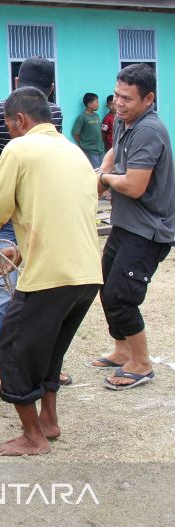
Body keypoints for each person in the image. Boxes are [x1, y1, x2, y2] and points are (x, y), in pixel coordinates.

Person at [0, 86, 102, 455]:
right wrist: (20, 248)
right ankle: (49, 421)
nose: (10, 133)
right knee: (49, 351)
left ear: (20, 120)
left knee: (13, 349)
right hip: (86, 275)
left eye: (10, 127)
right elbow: (58, 215)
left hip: (51, 277)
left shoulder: (20, 147)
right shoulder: (75, 153)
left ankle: (33, 437)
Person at [0, 56, 70, 387]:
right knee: (4, 287)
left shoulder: (53, 113)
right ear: (15, 84)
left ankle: (43, 363)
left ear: (51, 91)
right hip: (2, 211)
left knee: (45, 290)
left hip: (35, 211)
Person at [91, 64, 174, 390]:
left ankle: (141, 362)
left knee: (121, 296)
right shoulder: (129, 123)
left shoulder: (149, 130)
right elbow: (116, 150)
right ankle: (122, 349)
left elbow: (135, 185)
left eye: (127, 98)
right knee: (105, 286)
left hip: (148, 230)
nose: (119, 103)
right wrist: (108, 163)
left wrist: (103, 178)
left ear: (149, 98)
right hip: (126, 224)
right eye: (117, 96)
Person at [72, 92, 103, 167]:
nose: (98, 104)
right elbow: (75, 133)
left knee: (101, 170)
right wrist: (82, 145)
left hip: (100, 149)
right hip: (90, 151)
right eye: (97, 102)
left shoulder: (96, 116)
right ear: (89, 104)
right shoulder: (82, 117)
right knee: (94, 172)